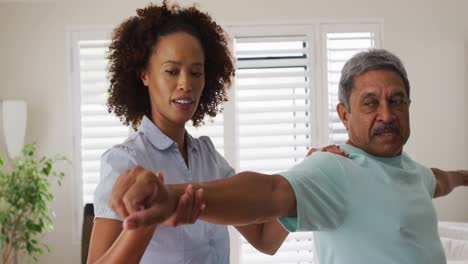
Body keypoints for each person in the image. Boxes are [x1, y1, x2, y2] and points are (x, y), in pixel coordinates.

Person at [109, 49, 468, 263]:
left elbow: (440, 180)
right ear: (344, 115)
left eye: (397, 101)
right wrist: (171, 197)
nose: (387, 115)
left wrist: (464, 176)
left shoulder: (414, 172)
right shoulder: (334, 168)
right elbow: (267, 193)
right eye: (371, 103)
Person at [87, 1, 295, 263]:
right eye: (171, 71)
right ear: (144, 75)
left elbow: (265, 238)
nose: (186, 84)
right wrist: (148, 218)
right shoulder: (124, 162)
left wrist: (310, 173)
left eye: (196, 72)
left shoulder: (208, 157)